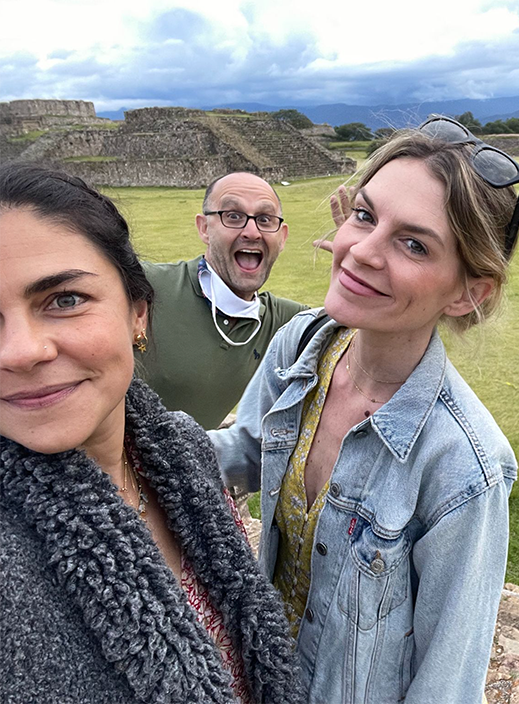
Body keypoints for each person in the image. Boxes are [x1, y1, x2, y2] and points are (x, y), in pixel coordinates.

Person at [211, 116, 519, 703]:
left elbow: (446, 686)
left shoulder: (464, 466)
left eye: (414, 244)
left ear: (468, 293)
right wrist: (122, 439)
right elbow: (250, 451)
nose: (360, 251)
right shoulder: (301, 345)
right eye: (364, 216)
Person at [0, 163, 302, 704]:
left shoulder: (182, 451)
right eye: (232, 216)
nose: (21, 352)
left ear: (138, 313)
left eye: (64, 299)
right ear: (203, 226)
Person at [135, 172, 308, 429]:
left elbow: (355, 337)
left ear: (282, 237)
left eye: (264, 219)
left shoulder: (283, 322)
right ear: (204, 228)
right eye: (233, 216)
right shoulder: (147, 285)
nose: (252, 232)